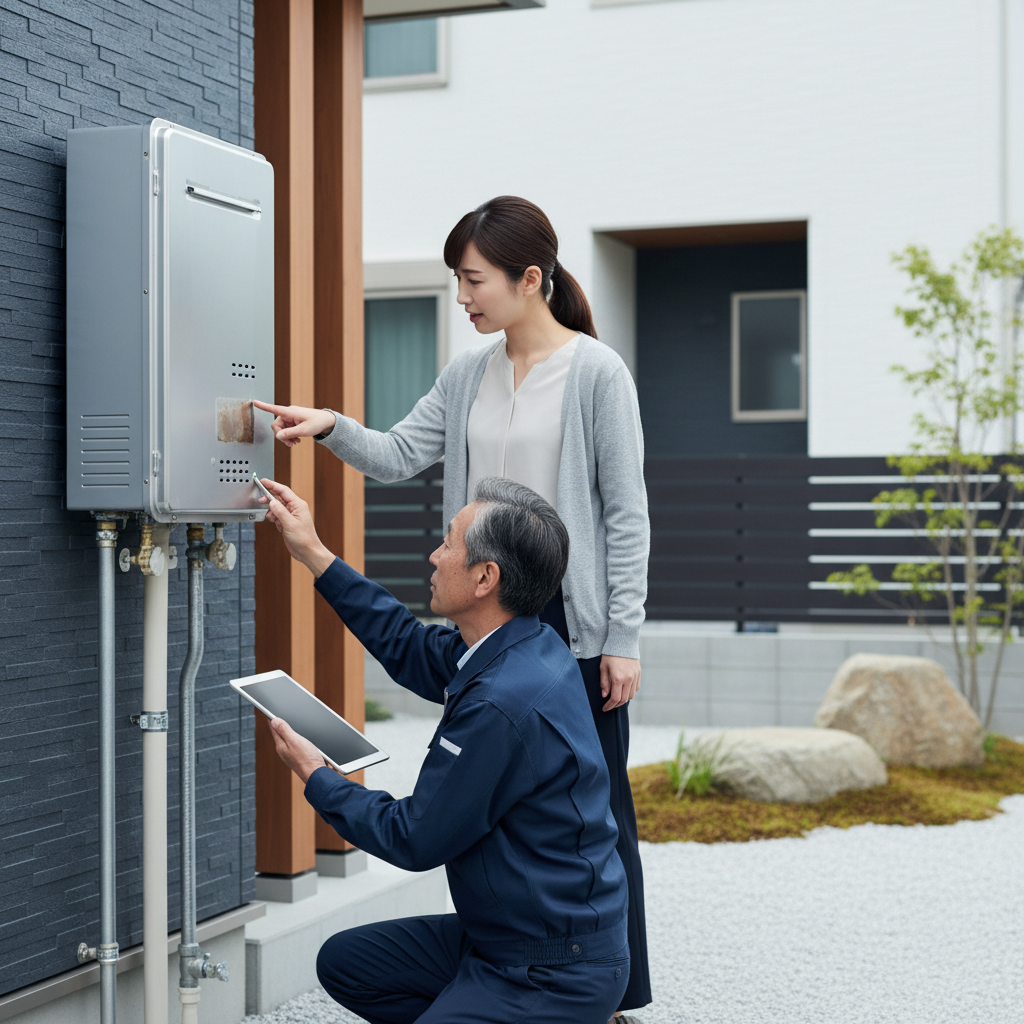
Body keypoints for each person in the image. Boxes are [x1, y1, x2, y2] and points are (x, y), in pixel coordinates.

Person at [254, 195, 652, 1016]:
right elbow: (401, 453)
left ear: (529, 279)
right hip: (487, 615)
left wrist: (623, 636)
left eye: (473, 280)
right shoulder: (470, 371)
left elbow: (627, 513)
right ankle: (504, 968)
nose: (462, 297)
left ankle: (600, 998)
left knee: (590, 820)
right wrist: (329, 424)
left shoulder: (596, 373)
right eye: (456, 281)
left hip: (568, 632)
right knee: (497, 814)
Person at [261, 474, 630, 1024]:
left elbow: (413, 837)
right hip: (501, 940)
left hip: (550, 970)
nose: (434, 556)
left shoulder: (503, 702)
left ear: (485, 577)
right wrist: (314, 553)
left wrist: (318, 775)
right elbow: (407, 645)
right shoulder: (523, 641)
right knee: (347, 963)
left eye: (448, 542)